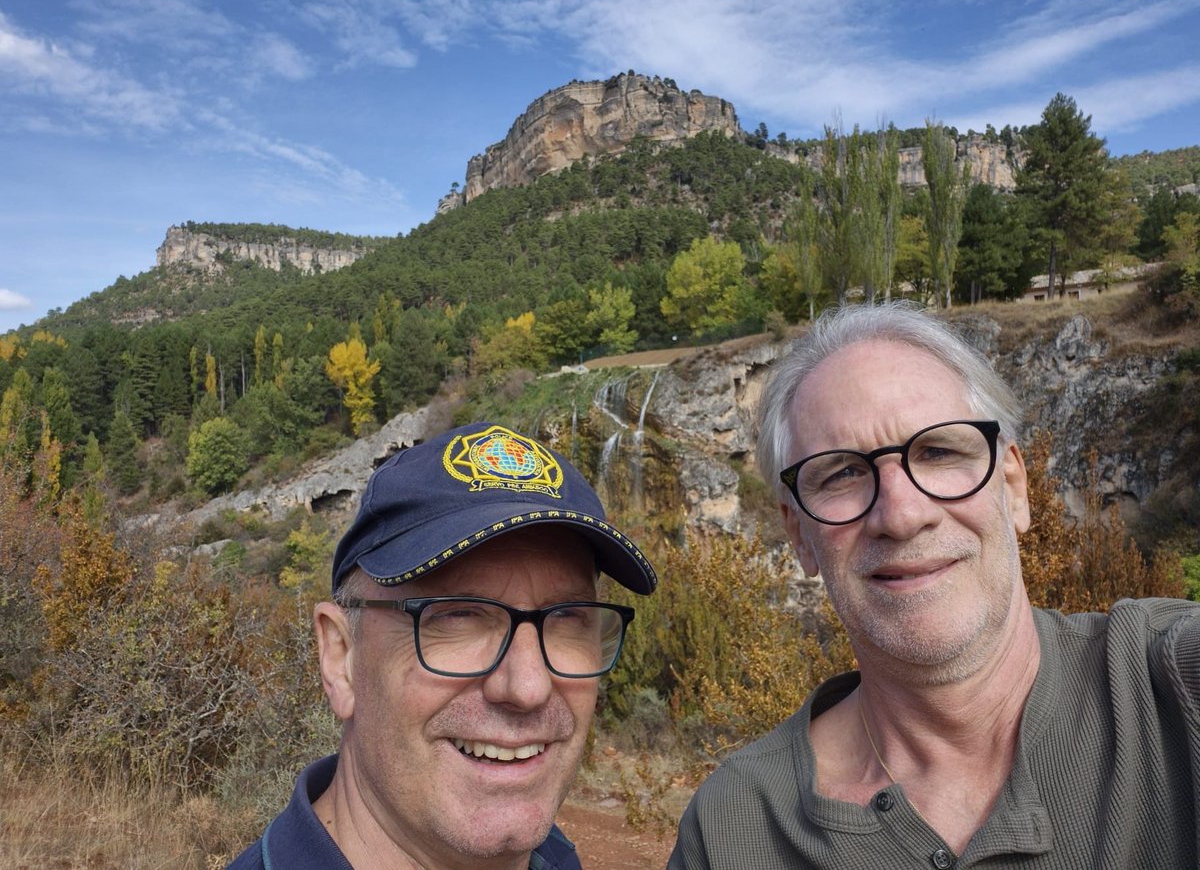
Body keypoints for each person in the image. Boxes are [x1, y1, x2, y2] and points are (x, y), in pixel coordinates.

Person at [669, 301, 1200, 869]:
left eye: (940, 451)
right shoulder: (733, 832)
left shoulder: (1170, 684)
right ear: (799, 535)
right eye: (843, 473)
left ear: (1015, 488)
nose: (901, 515)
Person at [230, 421, 657, 870]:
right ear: (340, 656)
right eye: (457, 615)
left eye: (568, 617)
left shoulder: (554, 856)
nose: (528, 687)